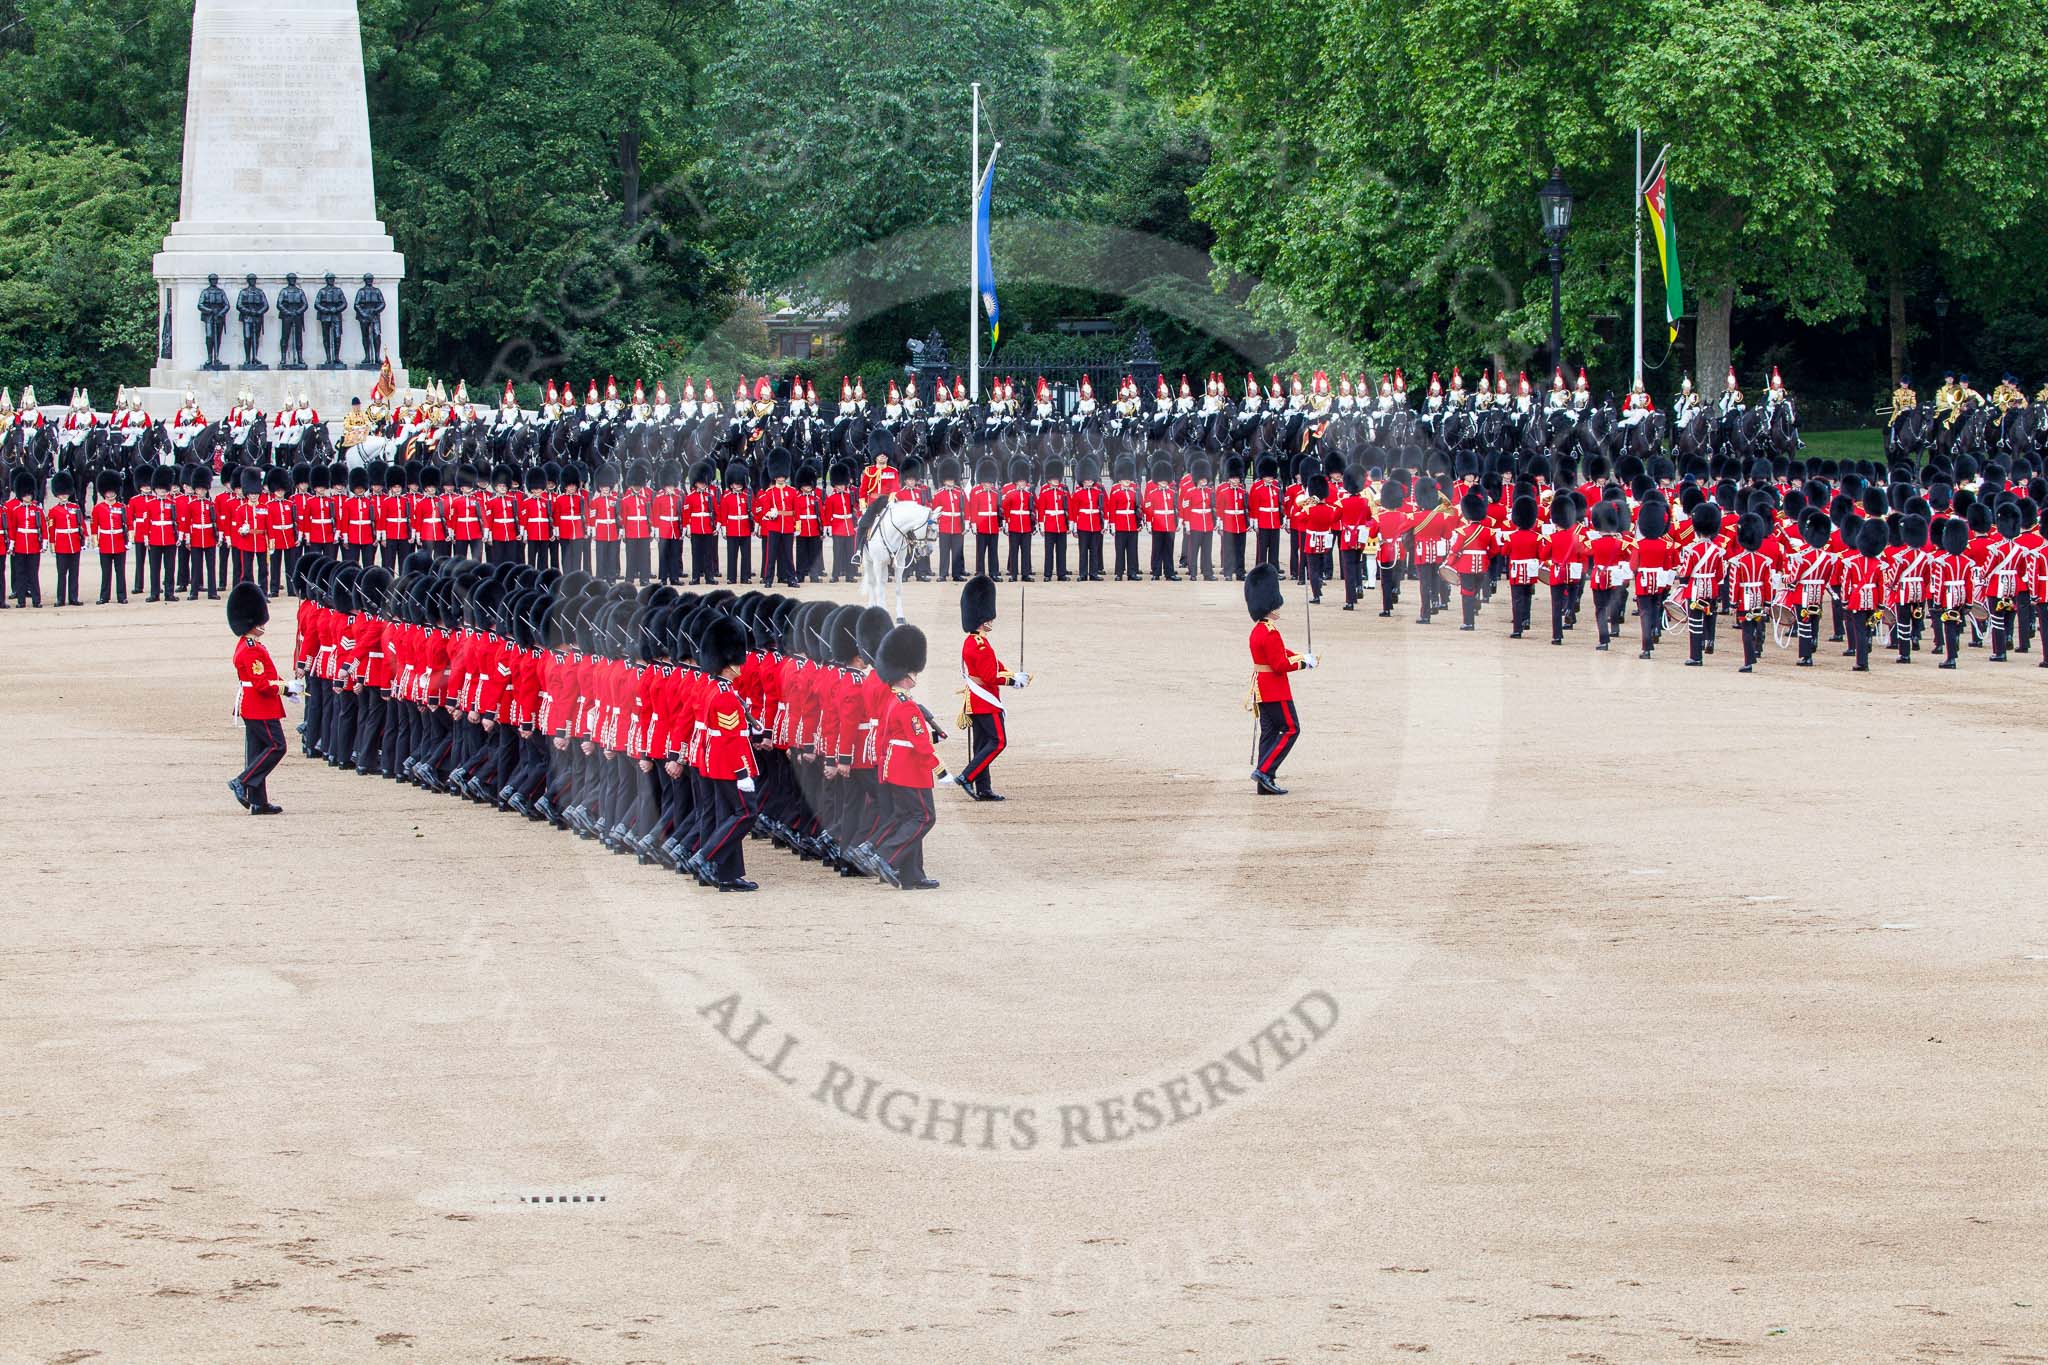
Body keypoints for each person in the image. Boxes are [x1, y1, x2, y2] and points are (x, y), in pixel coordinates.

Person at [873, 624, 942, 889]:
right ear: (905, 674)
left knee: (909, 818)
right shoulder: (906, 705)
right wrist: (942, 770)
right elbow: (920, 743)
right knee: (923, 818)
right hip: (910, 770)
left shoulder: (895, 700)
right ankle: (886, 856)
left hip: (897, 768)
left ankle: (912, 874)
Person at [955, 574, 1028, 801]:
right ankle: (967, 776)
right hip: (985, 700)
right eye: (989, 618)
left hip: (977, 701)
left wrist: (1014, 676)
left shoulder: (975, 642)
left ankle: (983, 788)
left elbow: (994, 666)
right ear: (982, 619)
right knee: (998, 741)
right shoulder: (980, 645)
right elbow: (989, 675)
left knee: (982, 744)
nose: (991, 621)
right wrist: (1011, 681)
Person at [1246, 563, 1314, 796]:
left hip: (1261, 688)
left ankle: (1264, 781)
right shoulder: (1271, 632)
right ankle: (1264, 771)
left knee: (1269, 732)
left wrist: (1301, 655)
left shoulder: (1259, 630)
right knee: (1291, 728)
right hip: (1275, 689)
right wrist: (1303, 663)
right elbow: (1280, 664)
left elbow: (1279, 653)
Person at [226, 580, 293, 815]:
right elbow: (262, 684)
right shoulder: (252, 648)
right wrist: (285, 689)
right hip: (260, 706)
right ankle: (242, 781)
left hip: (253, 705)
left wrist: (287, 685)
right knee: (277, 746)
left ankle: (258, 802)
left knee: (257, 751)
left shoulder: (248, 643)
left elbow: (267, 674)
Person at [4, 469, 44, 607]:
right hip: (19, 543)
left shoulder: (36, 508)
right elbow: (11, 526)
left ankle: (34, 597)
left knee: (33, 572)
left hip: (32, 544)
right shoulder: (10, 506)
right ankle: (19, 592)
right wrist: (11, 543)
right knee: (18, 570)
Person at [91, 471, 129, 604]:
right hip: (105, 543)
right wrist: (96, 544)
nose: (111, 494)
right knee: (106, 573)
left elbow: (128, 525)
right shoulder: (98, 508)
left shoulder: (122, 507)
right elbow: (94, 528)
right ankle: (104, 596)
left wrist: (129, 540)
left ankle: (122, 596)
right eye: (108, 492)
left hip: (119, 542)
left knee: (120, 572)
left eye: (113, 491)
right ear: (104, 493)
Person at [47, 472, 84, 606]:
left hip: (74, 543)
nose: (63, 495)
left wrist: (83, 540)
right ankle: (60, 599)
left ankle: (73, 597)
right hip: (62, 544)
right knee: (62, 574)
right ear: (57, 494)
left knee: (74, 573)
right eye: (61, 493)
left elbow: (82, 525)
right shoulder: (53, 511)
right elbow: (51, 529)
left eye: (65, 493)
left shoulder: (75, 508)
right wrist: (52, 543)